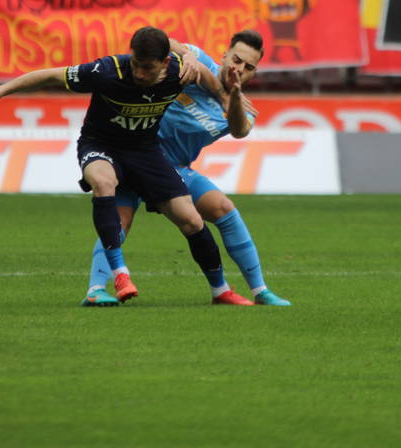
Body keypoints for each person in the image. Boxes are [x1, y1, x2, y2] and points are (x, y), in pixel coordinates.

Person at [0, 26, 253, 306]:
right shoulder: (106, 71)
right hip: (101, 145)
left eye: (148, 69)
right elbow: (51, 75)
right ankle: (119, 275)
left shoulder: (178, 70)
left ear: (165, 63)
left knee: (190, 219)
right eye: (137, 65)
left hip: (145, 151)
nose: (139, 74)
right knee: (104, 183)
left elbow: (205, 74)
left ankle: (220, 291)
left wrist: (226, 97)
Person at [81, 32, 289, 306]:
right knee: (120, 222)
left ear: (254, 73)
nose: (239, 69)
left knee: (223, 208)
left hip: (175, 169)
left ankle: (260, 291)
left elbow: (240, 131)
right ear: (225, 55)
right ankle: (96, 289)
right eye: (237, 60)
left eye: (248, 67)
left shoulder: (240, 106)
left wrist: (235, 95)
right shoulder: (198, 61)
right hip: (134, 153)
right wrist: (189, 55)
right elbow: (162, 41)